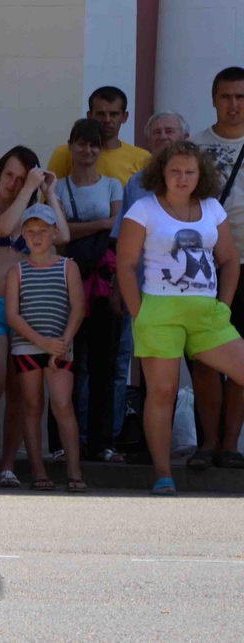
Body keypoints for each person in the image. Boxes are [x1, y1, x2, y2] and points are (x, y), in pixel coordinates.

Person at [116, 141, 244, 495]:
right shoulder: (143, 208)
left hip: (207, 312)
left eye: (190, 172)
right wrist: (139, 313)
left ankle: (223, 445)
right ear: (162, 173)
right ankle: (163, 474)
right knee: (163, 392)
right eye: (175, 171)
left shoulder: (212, 207)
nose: (182, 178)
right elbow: (125, 265)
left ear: (201, 174)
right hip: (159, 309)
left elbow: (229, 260)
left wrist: (224, 306)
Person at [0, 147, 70, 487]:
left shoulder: (31, 218)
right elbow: (1, 227)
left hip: (28, 311)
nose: (13, 183)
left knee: (20, 391)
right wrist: (28, 190)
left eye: (22, 179)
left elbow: (64, 237)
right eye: (9, 175)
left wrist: (48, 192)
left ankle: (8, 465)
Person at [110, 112, 191, 443]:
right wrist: (119, 289)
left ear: (183, 136)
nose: (163, 136)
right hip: (148, 291)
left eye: (170, 130)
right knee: (151, 370)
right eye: (156, 131)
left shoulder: (199, 180)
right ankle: (150, 445)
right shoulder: (136, 183)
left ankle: (209, 447)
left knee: (201, 367)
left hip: (195, 291)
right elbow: (122, 241)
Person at [48, 119, 123, 464]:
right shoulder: (58, 188)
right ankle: (61, 444)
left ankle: (102, 443)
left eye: (93, 144)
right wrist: (101, 224)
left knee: (104, 366)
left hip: (104, 285)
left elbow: (117, 231)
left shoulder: (112, 185)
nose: (87, 150)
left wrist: (79, 228)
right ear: (70, 146)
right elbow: (57, 234)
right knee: (65, 365)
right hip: (65, 284)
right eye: (81, 143)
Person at [4, 205, 88, 492]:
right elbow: (12, 315)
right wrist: (42, 342)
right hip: (26, 348)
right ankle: (38, 471)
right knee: (31, 406)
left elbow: (78, 308)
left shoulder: (68, 266)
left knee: (63, 404)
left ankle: (74, 472)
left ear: (55, 232)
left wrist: (61, 343)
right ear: (22, 234)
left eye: (42, 230)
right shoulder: (16, 271)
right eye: (30, 231)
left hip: (60, 347)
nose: (36, 236)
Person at [188, 66, 244, 469]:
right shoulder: (194, 147)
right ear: (213, 99)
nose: (234, 104)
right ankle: (207, 444)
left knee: (241, 358)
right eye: (226, 96)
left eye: (241, 97)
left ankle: (230, 446)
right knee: (205, 357)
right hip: (201, 266)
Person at [46, 86, 151, 186]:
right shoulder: (66, 153)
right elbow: (50, 194)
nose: (107, 120)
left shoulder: (142, 159)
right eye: (100, 114)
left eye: (114, 114)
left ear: (124, 117)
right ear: (89, 116)